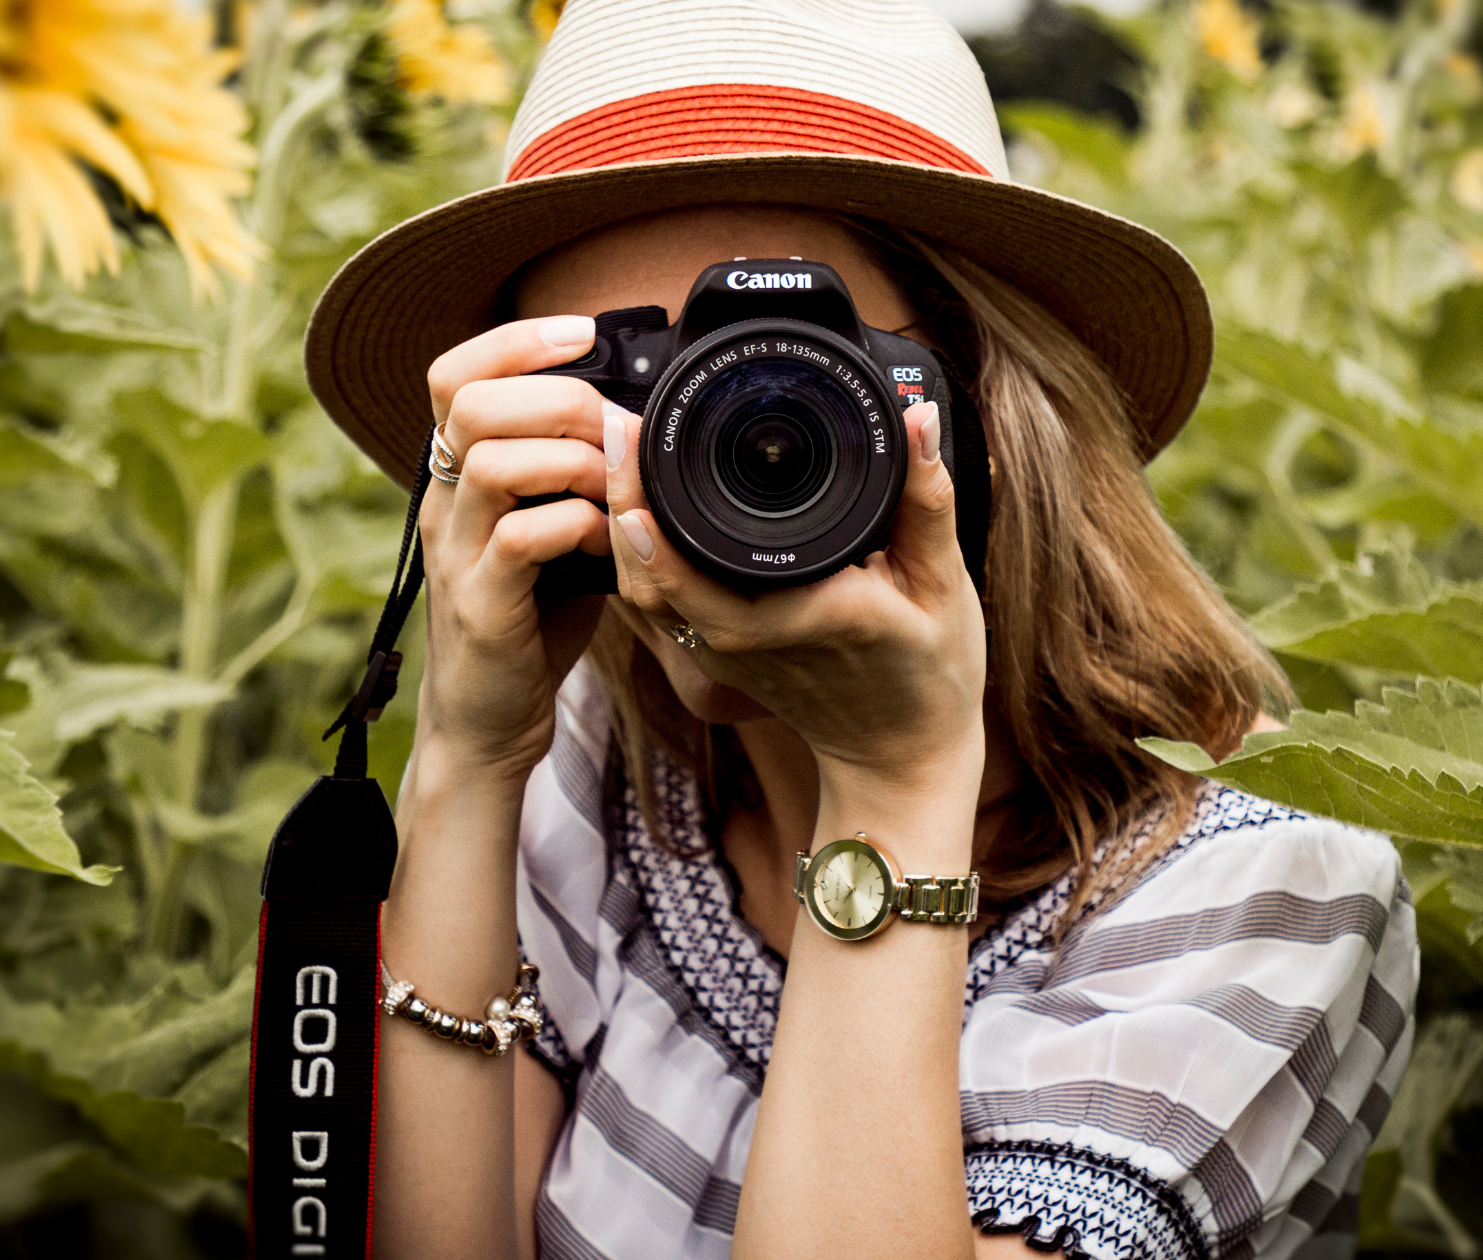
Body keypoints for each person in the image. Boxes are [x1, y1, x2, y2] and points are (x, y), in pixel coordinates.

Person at [302, 3, 1417, 1258]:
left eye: (792, 366)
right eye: (638, 381)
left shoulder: (1266, 883)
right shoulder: (601, 748)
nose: (723, 439)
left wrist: (890, 782)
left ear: (990, 407)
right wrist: (464, 751)